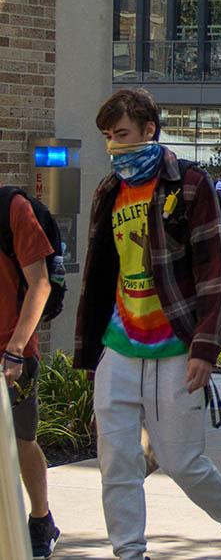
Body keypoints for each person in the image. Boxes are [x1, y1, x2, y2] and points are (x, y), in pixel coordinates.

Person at [75, 88, 221, 560]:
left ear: (149, 130)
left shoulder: (190, 186)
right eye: (107, 137)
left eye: (122, 135)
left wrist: (205, 346)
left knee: (182, 461)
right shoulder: (109, 191)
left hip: (175, 344)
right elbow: (100, 272)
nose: (114, 146)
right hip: (119, 344)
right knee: (116, 463)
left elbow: (213, 271)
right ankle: (129, 552)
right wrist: (90, 347)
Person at [0, 186, 60, 558]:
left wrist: (17, 349)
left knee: (21, 440)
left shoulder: (13, 209)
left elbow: (40, 282)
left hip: (11, 350)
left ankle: (41, 520)